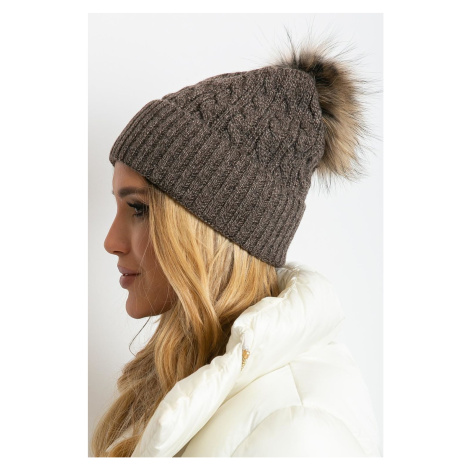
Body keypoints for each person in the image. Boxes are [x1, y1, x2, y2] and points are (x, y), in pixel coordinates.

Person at [91, 39, 381, 457]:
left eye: (139, 209)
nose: (110, 242)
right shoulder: (194, 385)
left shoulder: (298, 428)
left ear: (213, 230)